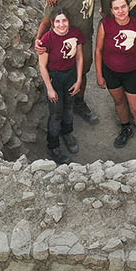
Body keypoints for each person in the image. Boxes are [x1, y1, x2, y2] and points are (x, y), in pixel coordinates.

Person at [93, 0, 136, 164]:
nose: (120, 11)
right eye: (116, 8)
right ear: (111, 11)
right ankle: (126, 127)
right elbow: (99, 50)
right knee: (119, 102)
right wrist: (99, 74)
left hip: (132, 73)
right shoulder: (105, 25)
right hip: (111, 72)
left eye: (123, 7)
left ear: (128, 8)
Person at [35, 0, 100, 124]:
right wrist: (38, 40)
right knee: (59, 72)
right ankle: (58, 103)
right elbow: (46, 21)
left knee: (82, 71)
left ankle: (78, 101)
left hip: (84, 40)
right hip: (60, 41)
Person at [36, 12, 85, 164]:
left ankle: (67, 132)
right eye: (58, 21)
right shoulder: (47, 39)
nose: (61, 24)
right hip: (54, 77)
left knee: (69, 107)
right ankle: (53, 146)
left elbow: (79, 57)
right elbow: (42, 66)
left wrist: (78, 80)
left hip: (70, 74)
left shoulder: (76, 33)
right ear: (52, 23)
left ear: (69, 21)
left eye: (64, 20)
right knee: (56, 113)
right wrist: (50, 88)